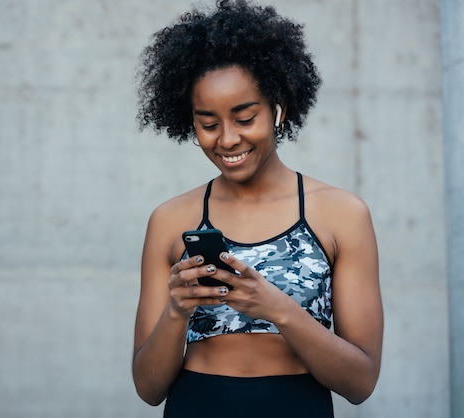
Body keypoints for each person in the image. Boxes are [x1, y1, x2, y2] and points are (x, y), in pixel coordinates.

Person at [131, 1, 384, 417]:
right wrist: (177, 310)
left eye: (245, 118)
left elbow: (360, 383)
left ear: (278, 108)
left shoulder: (342, 215)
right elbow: (147, 387)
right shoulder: (170, 221)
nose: (227, 139)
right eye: (208, 124)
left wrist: (276, 308)